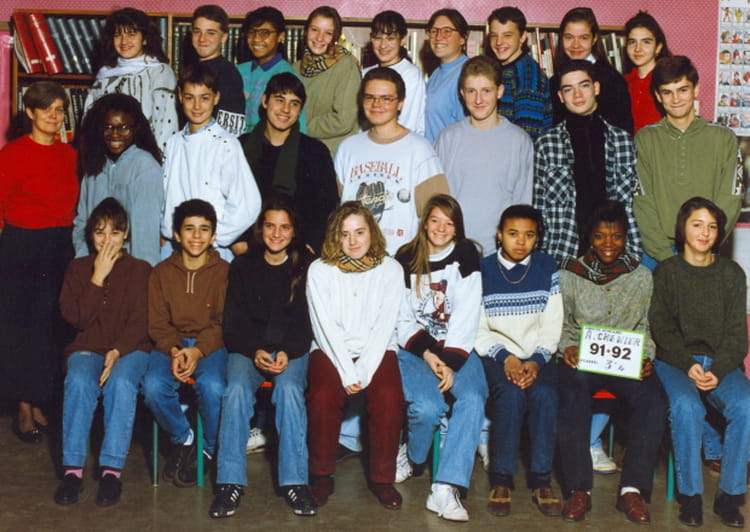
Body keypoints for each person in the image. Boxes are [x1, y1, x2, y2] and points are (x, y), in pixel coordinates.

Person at [556, 201, 667, 524]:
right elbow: (562, 324)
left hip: (625, 362)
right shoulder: (570, 274)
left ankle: (632, 490)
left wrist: (646, 356)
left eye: (616, 236)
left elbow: (645, 326)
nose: (608, 243)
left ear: (625, 238)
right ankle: (579, 489)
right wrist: (566, 347)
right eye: (600, 236)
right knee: (571, 391)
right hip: (584, 359)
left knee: (654, 400)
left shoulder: (640, 276)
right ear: (589, 238)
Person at [210, 199, 316, 518]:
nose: (277, 233)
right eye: (270, 225)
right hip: (249, 348)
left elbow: (307, 321)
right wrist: (254, 348)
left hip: (290, 349)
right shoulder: (243, 265)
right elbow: (234, 321)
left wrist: (288, 351)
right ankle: (229, 483)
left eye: (284, 227)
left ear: (294, 231)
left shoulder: (306, 265)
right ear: (260, 228)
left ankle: (296, 483)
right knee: (236, 391)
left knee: (289, 390)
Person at [650, 197, 750, 528]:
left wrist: (717, 371)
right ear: (683, 228)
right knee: (687, 406)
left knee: (746, 405)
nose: (705, 233)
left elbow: (737, 335)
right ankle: (690, 497)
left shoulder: (731, 273)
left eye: (712, 227)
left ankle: (729, 496)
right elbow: (661, 328)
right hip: (676, 361)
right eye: (697, 225)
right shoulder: (666, 272)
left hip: (721, 363)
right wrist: (687, 363)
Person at [305, 201, 405, 510]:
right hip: (330, 349)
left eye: (360, 232)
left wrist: (363, 371)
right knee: (322, 396)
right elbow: (324, 327)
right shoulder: (320, 270)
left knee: (388, 396)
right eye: (345, 234)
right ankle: (321, 475)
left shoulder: (391, 269)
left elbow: (385, 326)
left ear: (371, 232)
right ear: (335, 236)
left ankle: (383, 479)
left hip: (377, 348)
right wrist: (347, 373)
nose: (353, 241)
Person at [54, 198, 151, 507]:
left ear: (126, 234)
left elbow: (142, 321)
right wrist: (97, 277)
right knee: (79, 381)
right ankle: (73, 471)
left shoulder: (140, 269)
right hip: (88, 346)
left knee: (121, 383)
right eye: (99, 232)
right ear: (90, 235)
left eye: (115, 232)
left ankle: (111, 471)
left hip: (130, 348)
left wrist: (119, 350)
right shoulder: (78, 269)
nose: (107, 240)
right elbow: (77, 319)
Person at [395, 194, 486, 522]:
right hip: (416, 350)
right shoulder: (406, 257)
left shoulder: (466, 255)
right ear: (425, 223)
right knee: (428, 407)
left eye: (449, 223)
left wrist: (448, 362)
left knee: (473, 398)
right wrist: (428, 354)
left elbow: (467, 314)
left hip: (456, 348)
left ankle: (446, 488)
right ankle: (412, 456)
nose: (441, 228)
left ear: (457, 228)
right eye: (435, 220)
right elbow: (402, 318)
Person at [0, 81, 78, 444]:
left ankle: (40, 399)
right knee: (22, 328)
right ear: (30, 112)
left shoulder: (71, 155)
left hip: (61, 245)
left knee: (53, 327)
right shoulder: (12, 154)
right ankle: (23, 406)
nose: (54, 115)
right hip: (22, 246)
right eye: (46, 108)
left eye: (59, 109)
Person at [476, 205, 563, 518]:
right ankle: (501, 480)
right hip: (496, 355)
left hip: (538, 356)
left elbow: (552, 325)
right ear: (500, 235)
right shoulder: (483, 269)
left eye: (529, 235)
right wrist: (507, 358)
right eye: (513, 234)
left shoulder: (546, 266)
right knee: (511, 395)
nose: (521, 242)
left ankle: (541, 480)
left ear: (537, 238)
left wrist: (537, 360)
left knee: (545, 395)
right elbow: (478, 328)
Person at [143, 199, 229, 488]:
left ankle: (210, 448)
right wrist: (175, 350)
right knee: (153, 386)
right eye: (189, 229)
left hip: (210, 343)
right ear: (176, 235)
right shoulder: (161, 273)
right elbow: (158, 323)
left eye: (204, 229)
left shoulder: (224, 272)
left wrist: (197, 351)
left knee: (213, 386)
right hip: (173, 342)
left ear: (213, 235)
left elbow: (223, 322)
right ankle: (184, 437)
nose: (196, 236)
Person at [633, 56, 742, 267]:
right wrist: (665, 255)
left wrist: (703, 247)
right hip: (657, 254)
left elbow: (731, 198)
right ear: (658, 96)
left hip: (706, 251)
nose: (676, 99)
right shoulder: (645, 139)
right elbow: (642, 201)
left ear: (696, 89)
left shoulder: (723, 138)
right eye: (667, 92)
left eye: (683, 90)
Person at [533, 60, 641, 265]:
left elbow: (630, 204)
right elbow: (539, 208)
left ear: (596, 88)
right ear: (560, 97)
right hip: (564, 253)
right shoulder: (546, 145)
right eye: (568, 89)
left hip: (615, 253)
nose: (577, 95)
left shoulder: (622, 141)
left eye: (584, 86)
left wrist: (633, 252)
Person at [336, 67, 448, 256]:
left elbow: (438, 214)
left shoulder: (420, 150)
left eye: (386, 98)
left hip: (400, 258)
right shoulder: (348, 148)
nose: (376, 104)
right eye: (370, 97)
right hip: (354, 257)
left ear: (400, 103)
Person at [161, 63, 261, 262]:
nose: (197, 106)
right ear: (180, 97)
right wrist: (166, 231)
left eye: (204, 98)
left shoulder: (226, 144)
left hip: (211, 250)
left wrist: (216, 237)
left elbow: (249, 204)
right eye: (190, 97)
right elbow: (166, 196)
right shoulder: (173, 143)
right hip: (174, 247)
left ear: (216, 98)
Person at [435, 56, 533, 255]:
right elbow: (436, 202)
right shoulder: (447, 138)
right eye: (471, 91)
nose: (478, 100)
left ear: (500, 91)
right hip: (453, 249)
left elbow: (522, 203)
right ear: (462, 93)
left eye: (486, 91)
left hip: (499, 253)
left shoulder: (520, 141)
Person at [239, 72, 338, 254]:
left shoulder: (315, 151)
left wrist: (312, 246)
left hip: (298, 252)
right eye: (279, 100)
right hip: (250, 251)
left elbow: (329, 207)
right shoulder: (241, 147)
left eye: (294, 104)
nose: (285, 109)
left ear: (300, 111)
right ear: (265, 101)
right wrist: (239, 243)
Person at [73, 93, 163, 266]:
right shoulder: (94, 164)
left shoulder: (145, 167)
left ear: (136, 129)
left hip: (128, 268)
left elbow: (145, 234)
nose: (115, 134)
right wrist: (83, 264)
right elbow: (82, 222)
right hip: (94, 264)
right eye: (108, 127)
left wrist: (141, 274)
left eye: (123, 128)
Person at [85, 8, 178, 151]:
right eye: (118, 35)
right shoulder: (104, 75)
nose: (124, 41)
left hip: (145, 154)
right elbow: (89, 123)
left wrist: (156, 160)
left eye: (131, 34)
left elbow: (166, 125)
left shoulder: (160, 72)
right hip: (106, 154)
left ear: (145, 38)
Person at [550, 7, 633, 134]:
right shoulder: (555, 81)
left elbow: (623, 132)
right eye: (569, 37)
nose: (575, 45)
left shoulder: (613, 80)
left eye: (583, 38)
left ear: (594, 39)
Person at [294, 6, 360, 155]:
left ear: (335, 37)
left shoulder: (346, 65)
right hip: (297, 150)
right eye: (314, 30)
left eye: (328, 33)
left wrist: (296, 125)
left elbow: (343, 120)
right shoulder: (295, 68)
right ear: (306, 31)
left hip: (329, 154)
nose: (319, 38)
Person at [236, 6, 307, 134]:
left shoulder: (288, 76)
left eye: (265, 33)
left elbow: (298, 129)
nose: (256, 39)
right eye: (252, 32)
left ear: (280, 36)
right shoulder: (237, 71)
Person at [484, 7, 552, 140]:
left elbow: (527, 134)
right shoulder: (500, 68)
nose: (499, 42)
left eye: (507, 35)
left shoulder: (527, 73)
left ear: (523, 37)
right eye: (494, 35)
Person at [363, 10, 425, 136]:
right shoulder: (364, 74)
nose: (383, 45)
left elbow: (409, 122)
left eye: (390, 38)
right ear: (371, 38)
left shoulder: (411, 74)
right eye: (378, 38)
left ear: (403, 40)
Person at [189, 5, 246, 136]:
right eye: (197, 31)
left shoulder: (228, 74)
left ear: (224, 38)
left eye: (211, 33)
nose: (202, 39)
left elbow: (231, 129)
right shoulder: (190, 70)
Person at [424, 8, 469, 142]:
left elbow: (468, 130)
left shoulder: (468, 73)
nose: (438, 37)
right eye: (434, 31)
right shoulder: (436, 73)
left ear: (463, 38)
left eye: (447, 31)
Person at [623, 11, 672, 133]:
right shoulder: (620, 82)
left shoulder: (669, 81)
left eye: (646, 42)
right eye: (632, 42)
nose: (637, 49)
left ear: (658, 47)